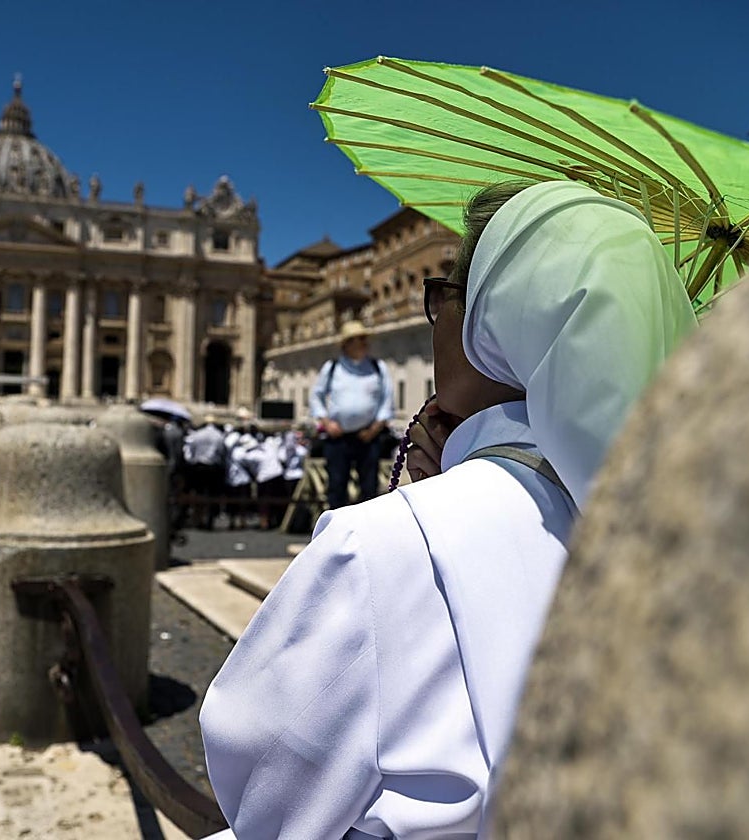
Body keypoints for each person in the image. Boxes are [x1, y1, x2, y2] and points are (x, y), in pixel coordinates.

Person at [199, 181, 698, 838]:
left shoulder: (378, 547)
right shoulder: (703, 541)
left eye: (444, 296)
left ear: (492, 318)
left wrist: (427, 502)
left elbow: (267, 805)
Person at [308, 320, 394, 509]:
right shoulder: (332, 368)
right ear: (347, 344)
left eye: (365, 339)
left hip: (368, 437)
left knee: (369, 488)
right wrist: (327, 423)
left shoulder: (377, 367)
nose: (364, 343)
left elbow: (387, 400)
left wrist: (375, 428)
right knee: (337, 487)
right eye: (359, 339)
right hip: (338, 436)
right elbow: (316, 396)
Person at [183, 415, 227, 529]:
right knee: (212, 495)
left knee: (198, 493)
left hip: (198, 466)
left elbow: (190, 451)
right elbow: (222, 452)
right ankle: (210, 520)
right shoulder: (219, 436)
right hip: (213, 467)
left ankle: (198, 518)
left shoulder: (197, 435)